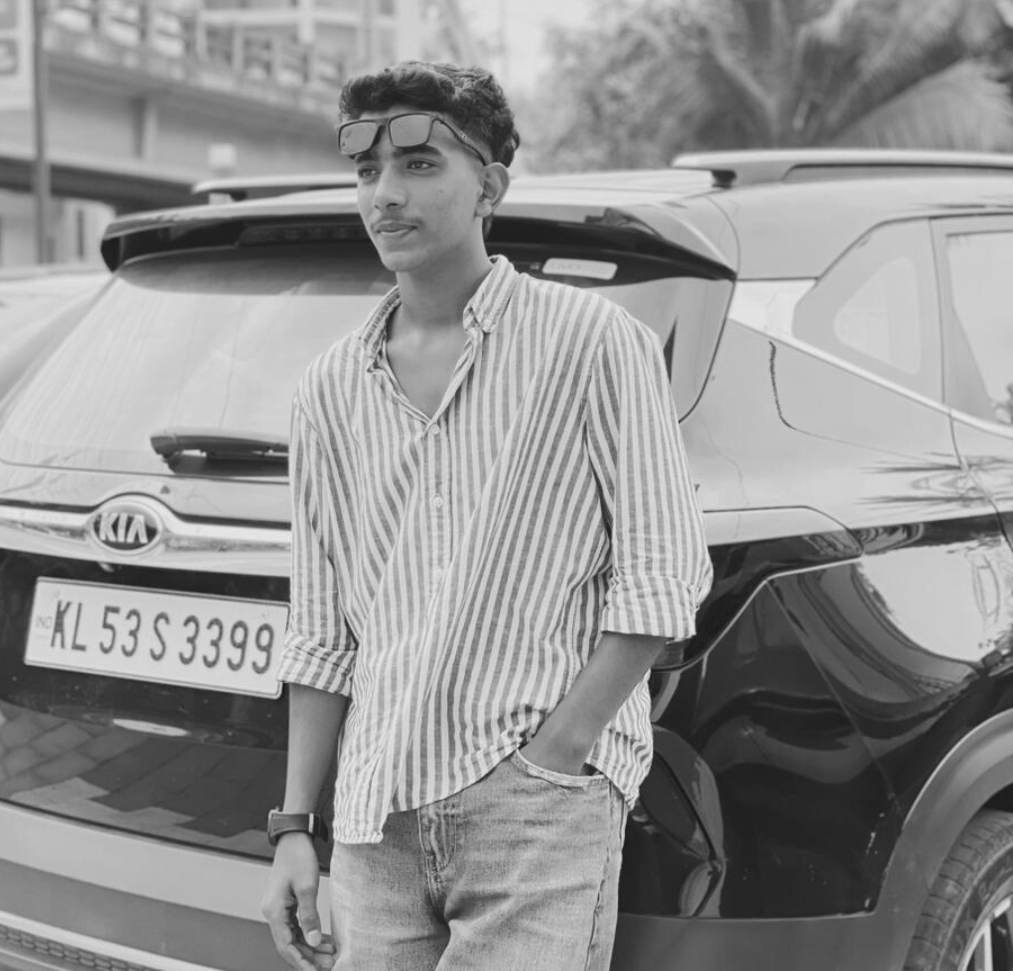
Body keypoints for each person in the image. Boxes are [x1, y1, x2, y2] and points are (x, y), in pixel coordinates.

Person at [261, 60, 712, 971]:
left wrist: (557, 755)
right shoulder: (328, 389)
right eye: (367, 171)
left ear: (490, 186)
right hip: (376, 817)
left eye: (420, 164)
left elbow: (663, 578)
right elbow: (321, 630)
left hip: (534, 811)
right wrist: (294, 827)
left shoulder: (591, 343)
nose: (386, 193)